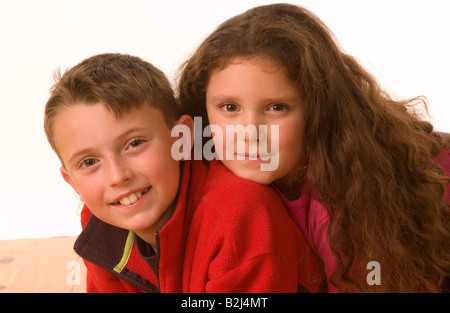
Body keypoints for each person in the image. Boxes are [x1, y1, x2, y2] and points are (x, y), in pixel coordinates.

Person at [177, 3, 450, 292]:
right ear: (202, 109)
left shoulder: (347, 197)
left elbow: (377, 282)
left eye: (277, 107)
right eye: (229, 107)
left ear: (317, 110)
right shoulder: (203, 160)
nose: (249, 133)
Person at [43, 52, 324, 293]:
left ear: (182, 139)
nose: (118, 176)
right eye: (89, 162)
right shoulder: (101, 226)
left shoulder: (241, 216)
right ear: (72, 181)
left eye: (135, 144)